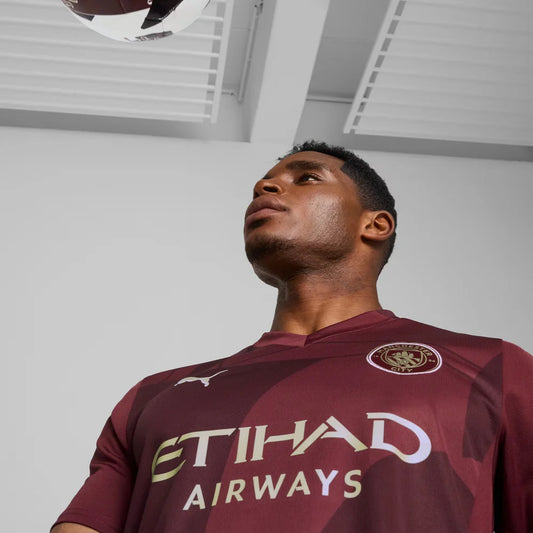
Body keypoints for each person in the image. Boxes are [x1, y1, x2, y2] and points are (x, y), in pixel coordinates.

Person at [52, 140, 533, 532]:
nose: (265, 186)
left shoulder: (492, 369)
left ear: (375, 224)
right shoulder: (153, 397)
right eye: (263, 183)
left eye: (306, 178)